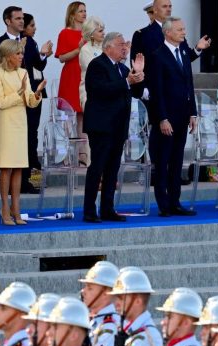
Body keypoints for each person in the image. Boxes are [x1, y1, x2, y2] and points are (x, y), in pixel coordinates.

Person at [82, 32, 143, 223]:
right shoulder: (97, 65)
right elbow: (100, 91)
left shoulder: (123, 69)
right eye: (120, 45)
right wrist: (127, 81)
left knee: (112, 168)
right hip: (101, 126)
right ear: (107, 47)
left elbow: (136, 92)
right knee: (98, 167)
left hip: (118, 126)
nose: (124, 48)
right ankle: (89, 210)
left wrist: (138, 74)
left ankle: (108, 208)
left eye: (125, 44)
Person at [0, 39, 44, 226]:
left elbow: (29, 101)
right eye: (18, 54)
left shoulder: (23, 72)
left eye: (22, 53)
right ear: (8, 56)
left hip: (21, 123)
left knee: (19, 167)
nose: (22, 57)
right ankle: (5, 208)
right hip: (6, 123)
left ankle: (16, 208)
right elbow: (1, 102)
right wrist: (20, 92)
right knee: (6, 167)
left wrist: (36, 95)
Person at [148, 17, 198, 217]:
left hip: (182, 115)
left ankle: (175, 201)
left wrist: (193, 112)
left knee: (177, 161)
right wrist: (161, 118)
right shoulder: (157, 56)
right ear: (168, 32)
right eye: (179, 29)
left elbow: (189, 84)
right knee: (163, 161)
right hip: (166, 118)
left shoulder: (184, 53)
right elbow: (156, 90)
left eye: (184, 29)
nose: (183, 32)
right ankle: (163, 203)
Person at [22, 13, 52, 193]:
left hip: (36, 91)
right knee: (29, 134)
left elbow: (38, 66)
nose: (35, 28)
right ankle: (32, 177)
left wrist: (43, 55)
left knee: (32, 133)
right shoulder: (26, 42)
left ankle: (35, 177)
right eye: (32, 25)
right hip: (29, 91)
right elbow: (33, 64)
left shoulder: (31, 42)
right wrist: (41, 54)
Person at [55, 2, 87, 120]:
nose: (84, 13)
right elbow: (62, 58)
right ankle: (68, 139)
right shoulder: (65, 33)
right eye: (80, 11)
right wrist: (78, 50)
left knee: (83, 112)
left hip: (85, 75)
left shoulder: (88, 33)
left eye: (85, 11)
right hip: (72, 75)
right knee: (69, 113)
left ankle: (83, 139)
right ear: (72, 15)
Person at [78, 16, 105, 110]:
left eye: (103, 30)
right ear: (91, 34)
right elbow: (94, 69)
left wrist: (122, 56)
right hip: (91, 93)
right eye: (100, 31)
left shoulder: (105, 47)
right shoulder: (85, 49)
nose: (104, 33)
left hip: (106, 91)